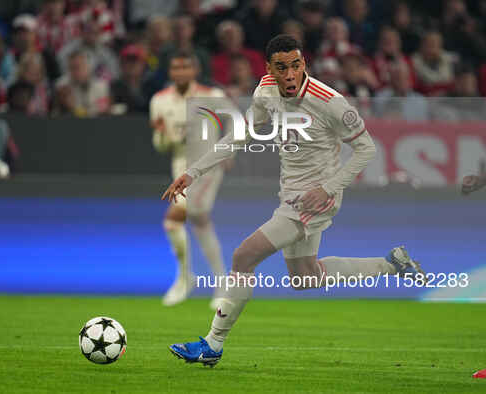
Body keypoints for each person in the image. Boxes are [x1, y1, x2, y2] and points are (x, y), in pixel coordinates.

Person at [163, 35, 426, 366]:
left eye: (296, 66)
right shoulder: (265, 91)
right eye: (281, 68)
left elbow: (366, 149)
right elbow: (242, 134)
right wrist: (194, 172)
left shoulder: (330, 101)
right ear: (270, 69)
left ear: (305, 64)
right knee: (305, 277)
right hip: (290, 194)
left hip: (315, 200)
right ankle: (392, 264)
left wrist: (329, 188)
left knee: (244, 256)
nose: (290, 75)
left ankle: (213, 344)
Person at [150, 51, 230, 308]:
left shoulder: (212, 96)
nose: (180, 72)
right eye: (176, 68)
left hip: (207, 164)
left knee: (174, 219)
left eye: (185, 67)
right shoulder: (159, 101)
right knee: (199, 221)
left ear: (194, 70)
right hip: (180, 165)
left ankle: (185, 278)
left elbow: (236, 122)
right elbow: (161, 146)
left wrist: (229, 150)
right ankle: (220, 282)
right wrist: (162, 136)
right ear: (170, 72)